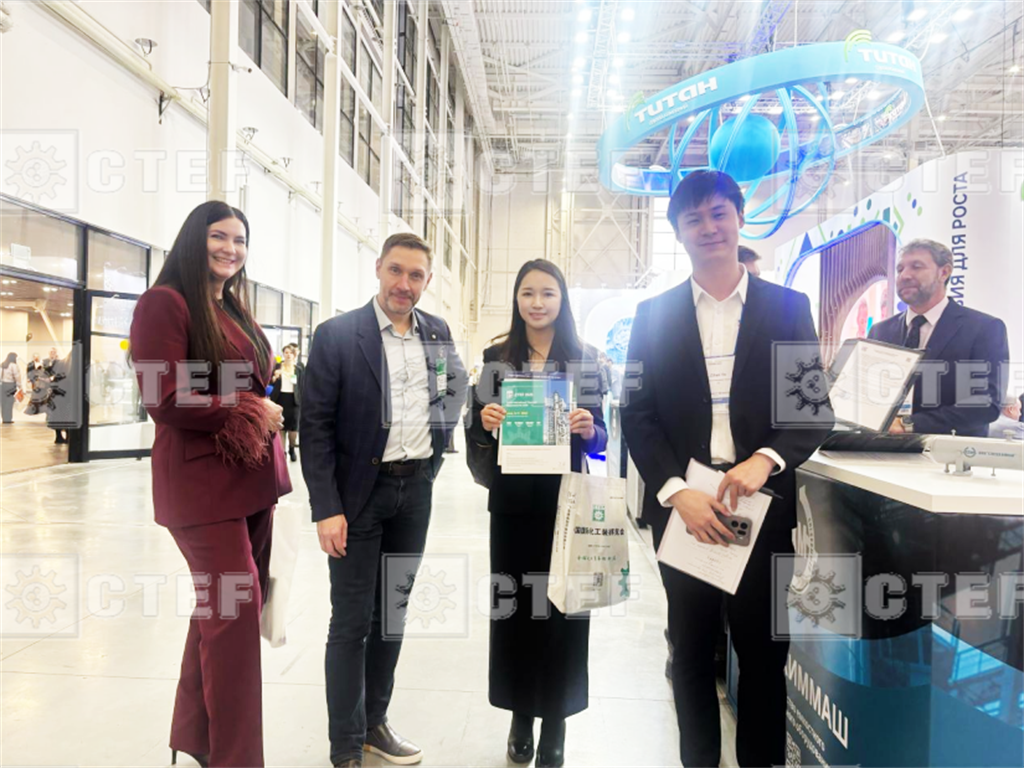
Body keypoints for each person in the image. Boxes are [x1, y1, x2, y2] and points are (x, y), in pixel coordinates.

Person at [620, 170, 832, 768]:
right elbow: (636, 413)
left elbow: (811, 411)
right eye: (693, 218)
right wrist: (674, 491)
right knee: (689, 653)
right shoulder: (653, 315)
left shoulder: (786, 308)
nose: (708, 227)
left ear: (739, 218)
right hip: (684, 511)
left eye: (719, 213)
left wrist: (765, 460)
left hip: (760, 510)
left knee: (763, 656)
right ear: (679, 232)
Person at [129, 200, 291, 768]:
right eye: (219, 236)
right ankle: (237, 759)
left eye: (240, 240)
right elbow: (163, 396)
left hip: (250, 481)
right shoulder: (164, 303)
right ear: (193, 240)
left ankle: (196, 737)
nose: (231, 248)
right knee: (235, 613)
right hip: (201, 488)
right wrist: (247, 407)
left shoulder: (231, 307)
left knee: (221, 615)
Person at [300, 232, 467, 768]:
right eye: (396, 270)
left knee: (391, 615)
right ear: (378, 268)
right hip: (358, 498)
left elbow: (454, 390)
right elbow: (315, 427)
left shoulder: (436, 333)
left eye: (416, 275)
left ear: (427, 281)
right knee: (352, 621)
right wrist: (327, 507)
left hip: (414, 492)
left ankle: (375, 724)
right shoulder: (338, 336)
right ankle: (345, 746)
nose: (404, 284)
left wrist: (432, 460)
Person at [467, 259, 608, 768]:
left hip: (568, 505)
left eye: (548, 293)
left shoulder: (585, 360)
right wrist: (485, 421)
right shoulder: (496, 359)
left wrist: (589, 429)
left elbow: (604, 438)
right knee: (515, 611)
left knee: (564, 614)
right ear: (516, 299)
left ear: (562, 299)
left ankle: (556, 723)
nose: (537, 302)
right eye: (527, 292)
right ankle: (520, 715)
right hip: (513, 507)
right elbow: (475, 432)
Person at [868, 239, 1009, 437]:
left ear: (944, 272)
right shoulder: (880, 332)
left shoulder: (983, 328)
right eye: (900, 269)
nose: (905, 275)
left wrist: (908, 424)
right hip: (878, 448)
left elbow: (986, 403)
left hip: (951, 451)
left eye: (916, 267)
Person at [269, 342, 304, 461]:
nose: (288, 355)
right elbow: (270, 382)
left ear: (294, 355)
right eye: (286, 352)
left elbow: (302, 386)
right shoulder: (277, 367)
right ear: (283, 354)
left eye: (291, 353)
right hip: (280, 399)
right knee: (281, 428)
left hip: (294, 401)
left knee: (293, 429)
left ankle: (292, 448)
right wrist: (275, 377)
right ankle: (282, 452)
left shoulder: (298, 369)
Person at [1, 352, 21, 424]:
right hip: (10, 385)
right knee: (9, 403)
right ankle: (8, 419)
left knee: (3, 402)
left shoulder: (2, 365)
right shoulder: (13, 365)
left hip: (2, 385)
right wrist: (19, 386)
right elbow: (17, 376)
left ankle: (4, 418)